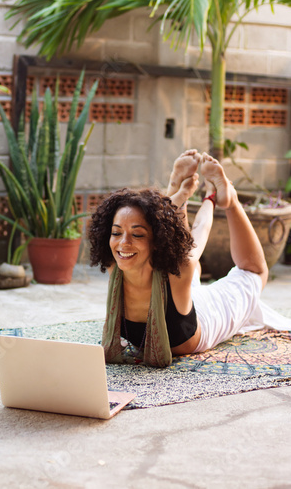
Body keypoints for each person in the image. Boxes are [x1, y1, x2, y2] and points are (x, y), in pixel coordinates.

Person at [89, 150, 291, 367]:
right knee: (180, 262)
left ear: (154, 241)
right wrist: (180, 195)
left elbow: (200, 228)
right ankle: (176, 187)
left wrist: (210, 199)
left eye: (137, 235)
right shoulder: (114, 264)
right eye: (116, 232)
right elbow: (157, 224)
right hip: (179, 291)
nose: (123, 243)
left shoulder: (180, 268)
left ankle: (231, 200)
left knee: (254, 272)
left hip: (207, 318)